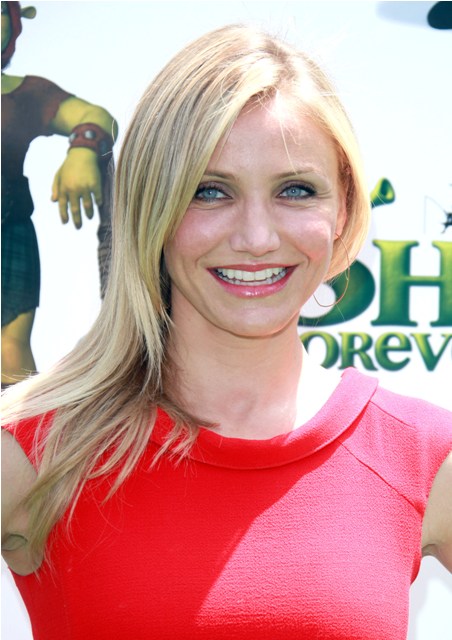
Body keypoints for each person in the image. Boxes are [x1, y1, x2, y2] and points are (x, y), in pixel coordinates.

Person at [1, 23, 451, 640]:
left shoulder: (420, 452)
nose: (257, 237)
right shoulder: (36, 448)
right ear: (151, 209)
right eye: (210, 192)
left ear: (343, 208)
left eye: (296, 190)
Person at [1, 1, 117, 388]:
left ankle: (21, 426)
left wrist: (83, 150)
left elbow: (96, 117)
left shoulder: (25, 95)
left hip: (8, 232)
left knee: (10, 353)